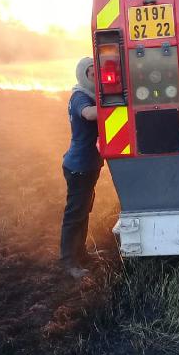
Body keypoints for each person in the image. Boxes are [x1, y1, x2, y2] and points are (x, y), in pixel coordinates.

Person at [60, 57, 104, 279]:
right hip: (78, 166)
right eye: (91, 73)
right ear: (82, 76)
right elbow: (89, 114)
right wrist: (113, 102)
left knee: (84, 210)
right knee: (74, 214)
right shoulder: (80, 97)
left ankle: (82, 254)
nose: (95, 76)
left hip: (88, 165)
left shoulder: (91, 95)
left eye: (97, 72)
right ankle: (68, 262)